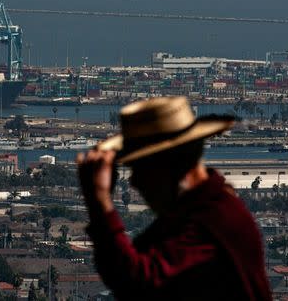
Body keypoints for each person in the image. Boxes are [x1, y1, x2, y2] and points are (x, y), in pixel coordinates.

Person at [77, 96, 271, 300]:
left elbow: (136, 282)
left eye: (142, 169)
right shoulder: (197, 216)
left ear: (172, 164)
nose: (135, 182)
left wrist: (99, 201)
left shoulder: (215, 221)